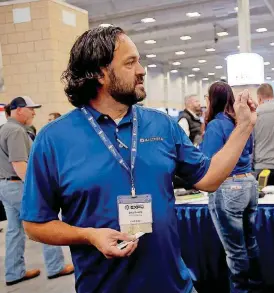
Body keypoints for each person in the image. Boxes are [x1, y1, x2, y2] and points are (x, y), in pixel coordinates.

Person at [20, 26, 257, 293]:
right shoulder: (54, 139)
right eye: (130, 62)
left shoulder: (162, 126)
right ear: (99, 73)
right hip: (103, 286)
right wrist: (88, 235)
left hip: (173, 285)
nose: (142, 69)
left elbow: (210, 178)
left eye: (139, 60)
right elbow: (34, 224)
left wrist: (244, 127)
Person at [0, 96, 74, 286]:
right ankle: (55, 266)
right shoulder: (16, 131)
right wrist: (36, 189)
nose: (34, 112)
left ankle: (14, 272)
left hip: (5, 185)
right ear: (18, 110)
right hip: (18, 185)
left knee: (14, 231)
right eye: (30, 109)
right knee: (44, 221)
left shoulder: (4, 129)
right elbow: (19, 164)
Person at [200, 81, 262, 292]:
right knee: (249, 243)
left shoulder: (216, 126)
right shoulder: (240, 122)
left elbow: (208, 161)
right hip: (249, 184)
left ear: (212, 100)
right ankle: (254, 286)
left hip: (228, 187)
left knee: (235, 251)